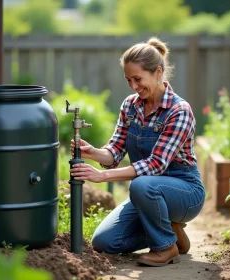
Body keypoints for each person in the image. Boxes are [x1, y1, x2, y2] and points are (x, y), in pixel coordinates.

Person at [70, 37, 205, 267]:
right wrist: (93, 152)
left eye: (138, 79)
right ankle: (171, 232)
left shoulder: (179, 111)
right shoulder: (130, 106)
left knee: (141, 184)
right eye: (128, 80)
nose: (133, 86)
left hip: (184, 192)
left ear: (158, 72)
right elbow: (115, 150)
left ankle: (165, 247)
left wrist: (102, 176)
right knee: (104, 242)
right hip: (149, 193)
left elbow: (155, 165)